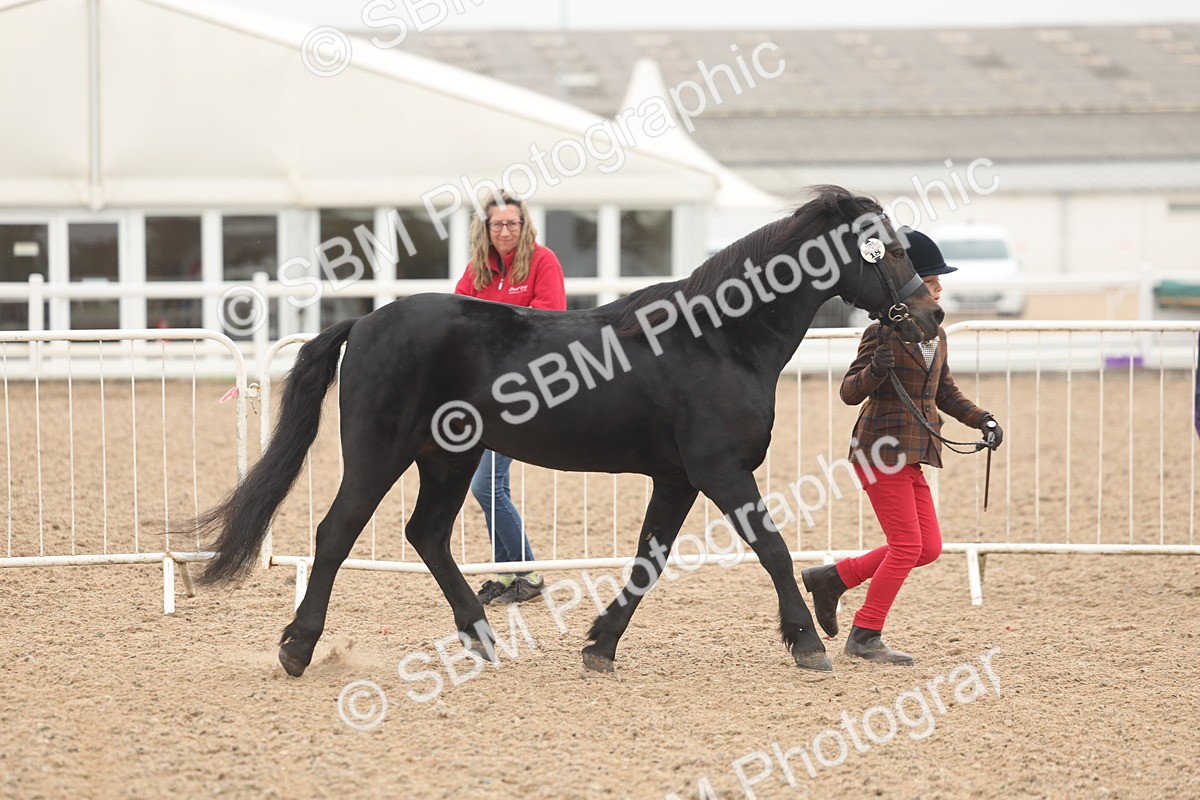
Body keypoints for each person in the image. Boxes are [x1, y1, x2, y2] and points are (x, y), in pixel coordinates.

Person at [802, 228, 1004, 664]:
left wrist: (982, 419)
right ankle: (865, 634)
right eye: (932, 282)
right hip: (879, 450)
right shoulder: (881, 334)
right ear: (913, 286)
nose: (939, 288)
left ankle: (834, 578)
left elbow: (945, 392)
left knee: (928, 548)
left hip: (915, 452)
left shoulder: (937, 336)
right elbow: (850, 391)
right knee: (907, 546)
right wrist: (876, 369)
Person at [454, 189, 566, 605]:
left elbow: (546, 323)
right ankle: (507, 574)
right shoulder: (477, 270)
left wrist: (490, 334)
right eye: (497, 224)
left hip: (523, 390)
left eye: (513, 223)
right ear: (485, 228)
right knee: (491, 485)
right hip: (480, 393)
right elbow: (457, 318)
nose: (505, 230)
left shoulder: (543, 261)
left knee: (486, 486)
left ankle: (529, 571)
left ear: (524, 225)